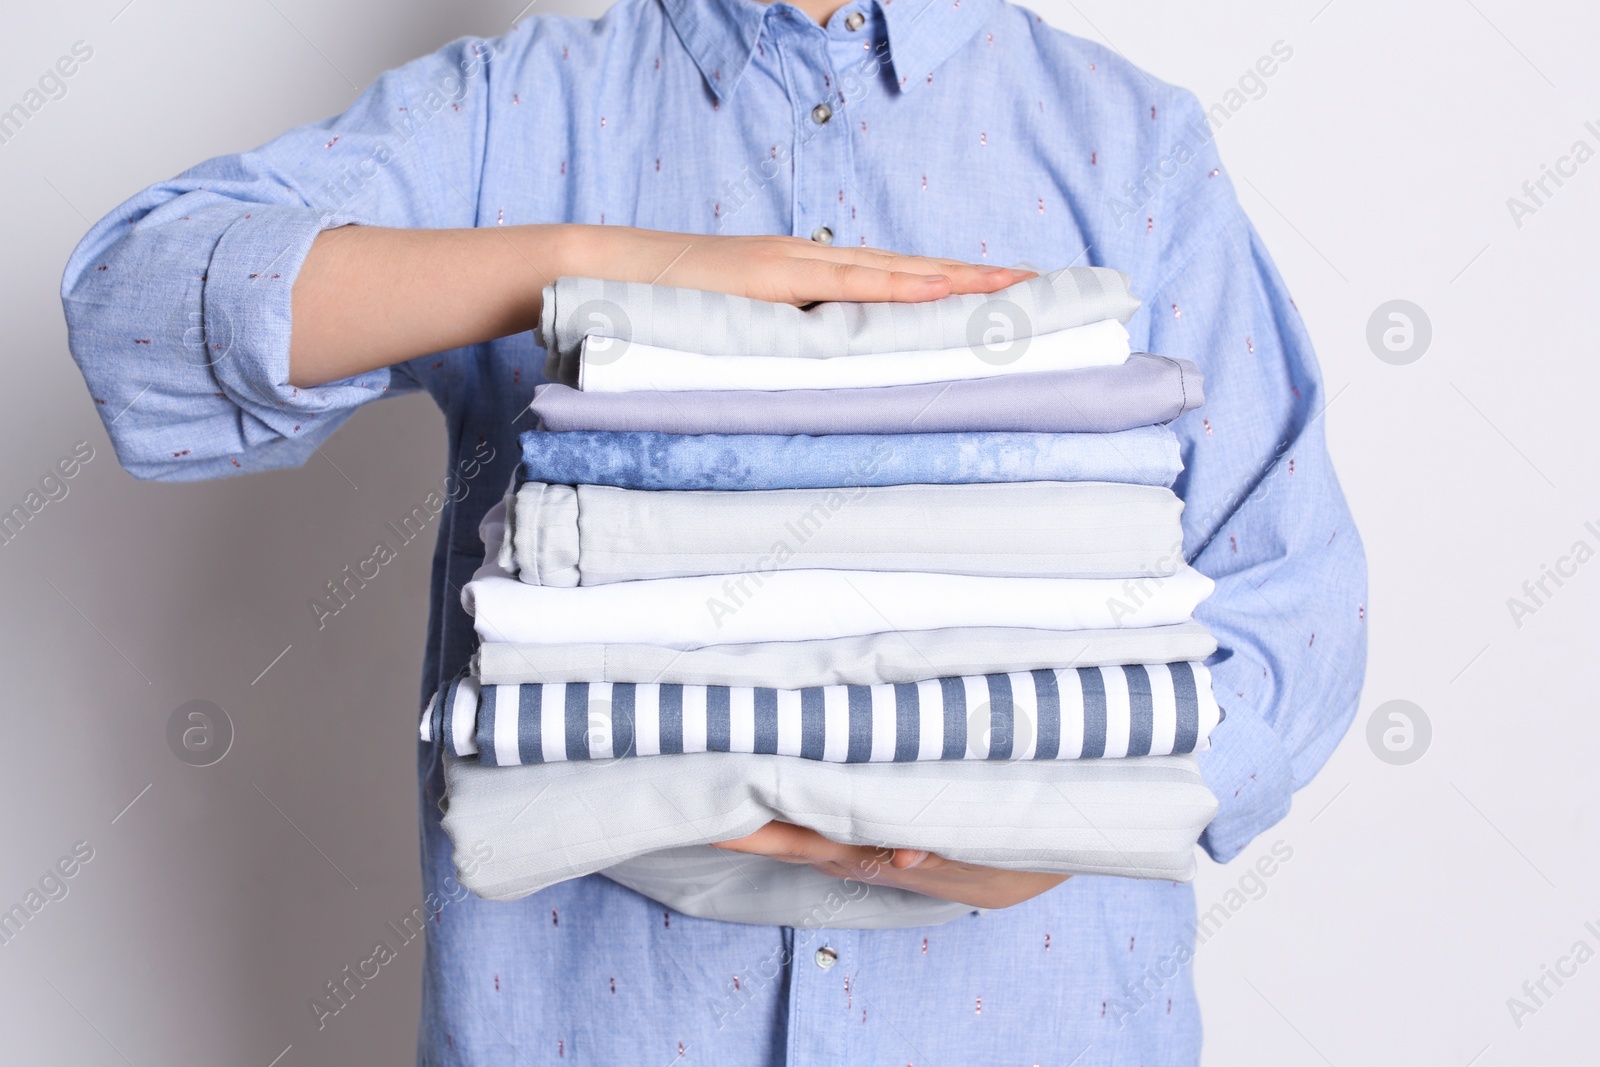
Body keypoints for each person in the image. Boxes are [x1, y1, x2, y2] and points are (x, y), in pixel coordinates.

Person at [61, 0, 1367, 1061]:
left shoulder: (1133, 146)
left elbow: (1294, 616)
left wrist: (1059, 825)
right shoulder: (518, 115)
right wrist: (587, 269)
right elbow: (133, 310)